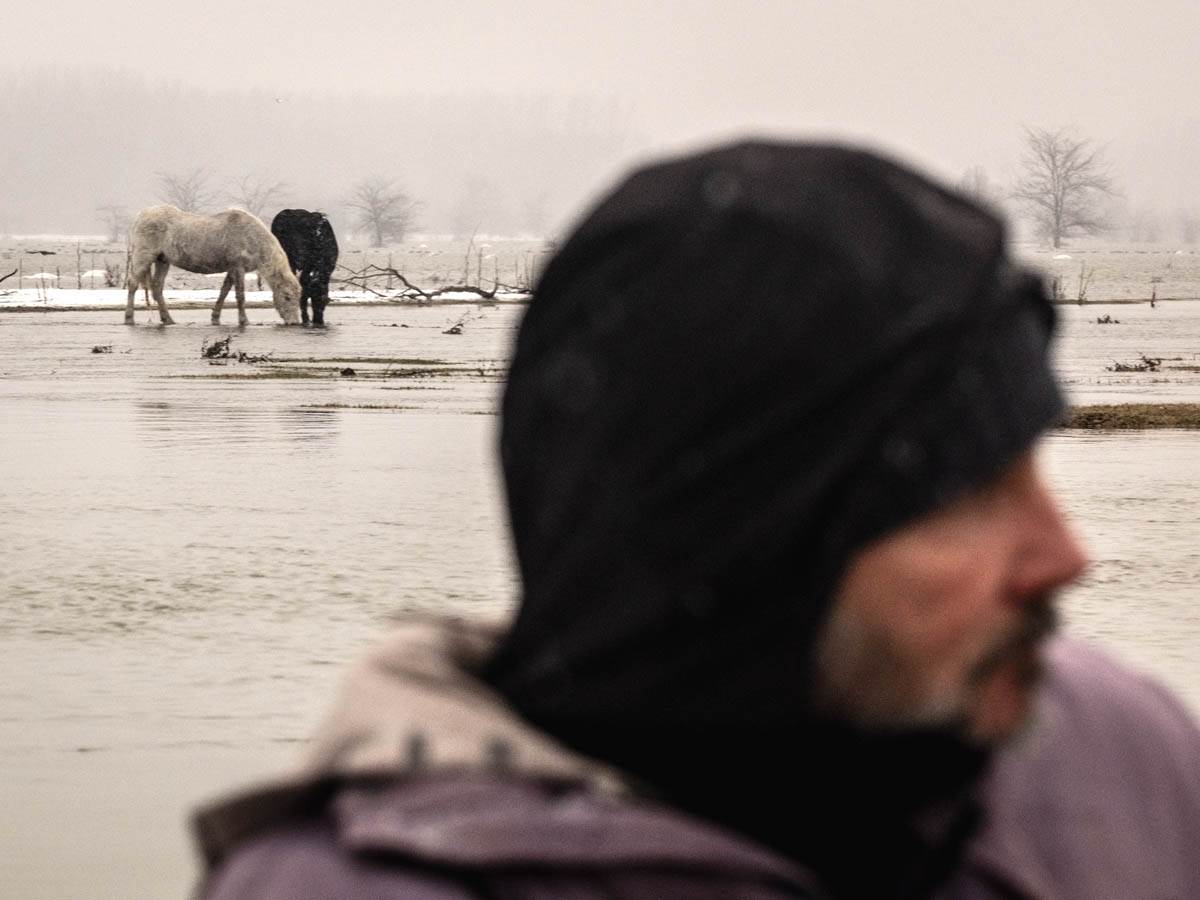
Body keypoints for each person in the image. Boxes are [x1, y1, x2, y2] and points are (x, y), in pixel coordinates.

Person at [194, 142, 1200, 900]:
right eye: (962, 496)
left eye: (1037, 468)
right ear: (746, 542)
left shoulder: (1121, 759)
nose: (1066, 556)